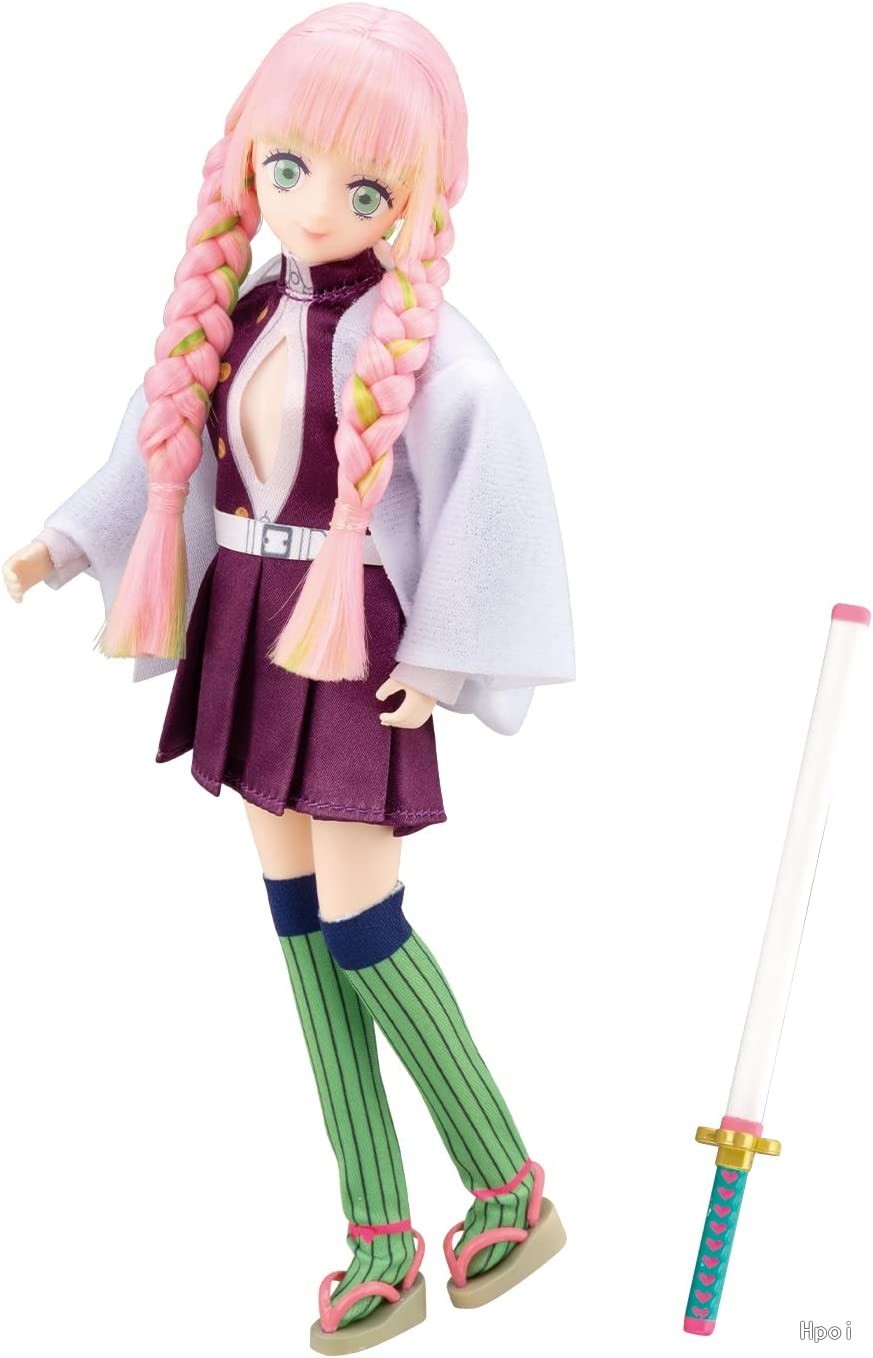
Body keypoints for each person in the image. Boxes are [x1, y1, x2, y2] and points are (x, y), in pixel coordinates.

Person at [2, 6, 574, 1351]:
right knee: (303, 930)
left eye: (365, 189)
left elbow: (492, 482)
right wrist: (62, 546)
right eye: (290, 169)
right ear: (248, 158)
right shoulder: (242, 311)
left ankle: (505, 1181)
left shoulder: (425, 345)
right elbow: (162, 449)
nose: (317, 207)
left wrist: (443, 655)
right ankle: (378, 1231)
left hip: (351, 639)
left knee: (366, 922)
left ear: (414, 197)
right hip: (252, 625)